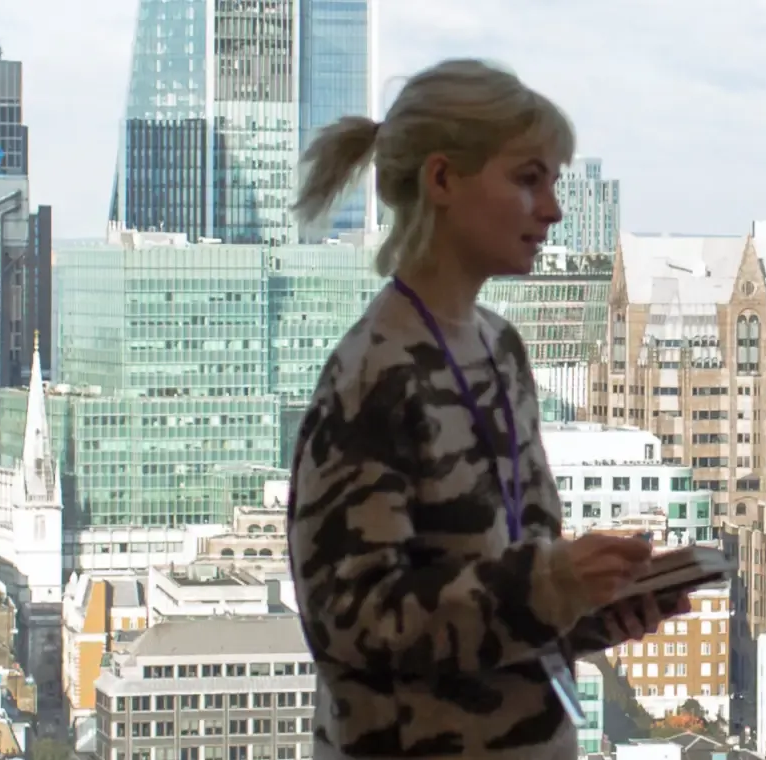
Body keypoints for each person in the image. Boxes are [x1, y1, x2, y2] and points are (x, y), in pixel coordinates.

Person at [283, 59, 673, 760]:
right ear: (442, 180)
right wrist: (552, 585)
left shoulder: (501, 350)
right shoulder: (374, 376)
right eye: (528, 179)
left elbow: (505, 586)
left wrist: (594, 605)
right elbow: (354, 624)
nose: (553, 209)